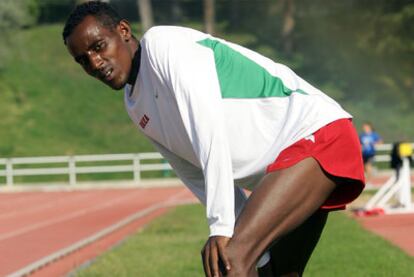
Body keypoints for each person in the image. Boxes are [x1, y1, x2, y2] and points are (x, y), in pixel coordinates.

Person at [62, 2, 365, 276]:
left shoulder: (163, 45)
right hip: (282, 170)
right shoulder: (134, 104)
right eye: (83, 60)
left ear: (124, 31)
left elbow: (210, 131)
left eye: (99, 46)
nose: (95, 62)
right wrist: (234, 228)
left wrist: (221, 228)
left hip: (317, 135)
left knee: (230, 259)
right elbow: (194, 173)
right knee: (268, 270)